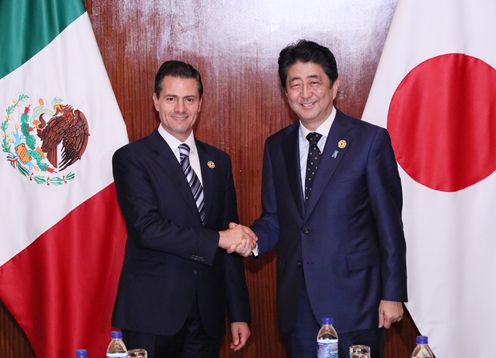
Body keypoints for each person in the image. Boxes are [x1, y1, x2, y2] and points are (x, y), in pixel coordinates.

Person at [247, 40, 408, 357]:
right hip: (299, 303)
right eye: (295, 84)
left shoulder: (369, 140)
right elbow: (274, 217)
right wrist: (250, 240)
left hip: (357, 301)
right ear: (286, 92)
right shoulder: (276, 146)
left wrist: (393, 293)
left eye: (314, 82)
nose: (305, 94)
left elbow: (389, 224)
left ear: (335, 87)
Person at [111, 60, 256, 358]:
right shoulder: (131, 158)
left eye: (189, 99)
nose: (180, 108)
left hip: (206, 315)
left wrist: (239, 313)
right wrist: (217, 239)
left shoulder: (219, 162)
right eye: (171, 98)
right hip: (152, 313)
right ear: (155, 101)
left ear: (200, 103)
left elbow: (231, 234)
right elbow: (147, 229)